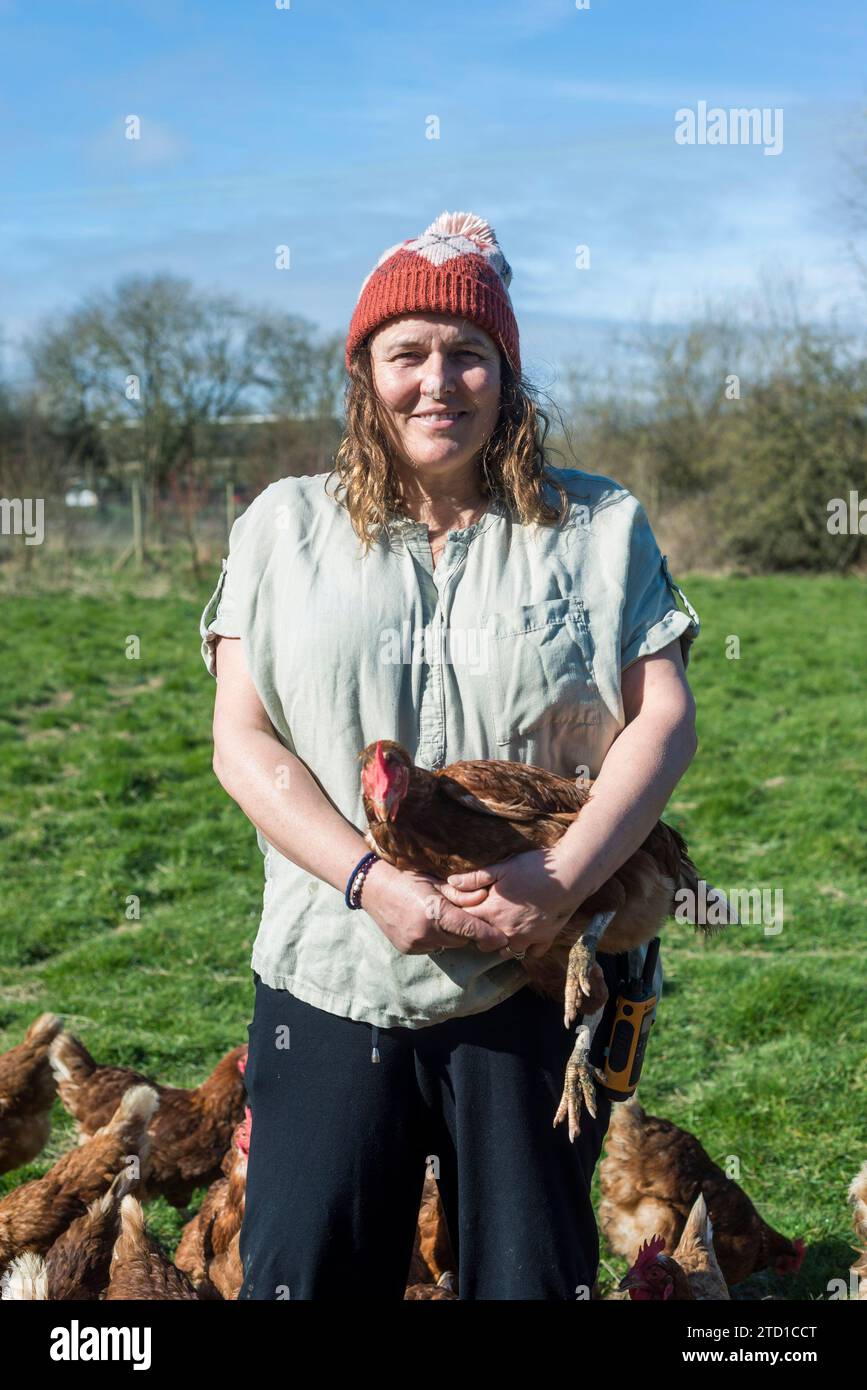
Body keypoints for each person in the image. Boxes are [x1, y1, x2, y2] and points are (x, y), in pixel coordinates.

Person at [199, 210, 700, 1301]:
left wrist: (559, 883)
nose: (440, 382)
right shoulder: (282, 529)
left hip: (535, 984)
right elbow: (241, 736)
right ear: (362, 373)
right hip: (333, 974)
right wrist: (367, 881)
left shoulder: (597, 526)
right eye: (407, 354)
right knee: (306, 1274)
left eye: (469, 352)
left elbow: (664, 719)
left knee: (527, 1280)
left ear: (508, 374)